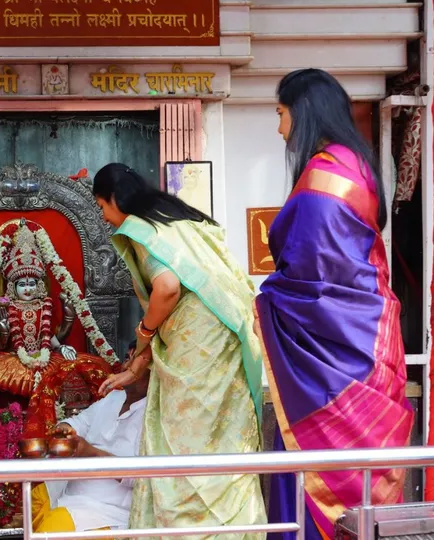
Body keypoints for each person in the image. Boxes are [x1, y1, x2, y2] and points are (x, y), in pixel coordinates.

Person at [254, 68, 414, 540]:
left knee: (311, 472)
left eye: (281, 114)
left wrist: (265, 302)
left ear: (303, 112)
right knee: (358, 490)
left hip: (327, 365)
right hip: (368, 340)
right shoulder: (357, 165)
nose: (279, 128)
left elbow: (311, 276)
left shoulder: (322, 179)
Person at [94, 163, 267, 539]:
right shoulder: (183, 223)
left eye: (102, 207)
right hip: (228, 342)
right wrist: (137, 365)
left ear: (112, 199)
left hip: (195, 349)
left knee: (183, 446)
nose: (105, 217)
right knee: (226, 445)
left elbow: (168, 288)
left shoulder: (142, 229)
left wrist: (144, 330)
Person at [31, 348, 149, 534]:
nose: (126, 366)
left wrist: (92, 453)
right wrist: (65, 430)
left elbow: (143, 479)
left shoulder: (154, 416)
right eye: (127, 358)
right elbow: (79, 422)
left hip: (104, 509)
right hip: (70, 491)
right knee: (33, 499)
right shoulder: (114, 398)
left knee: (53, 527)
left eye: (134, 361)